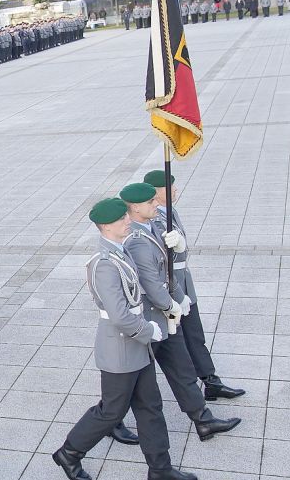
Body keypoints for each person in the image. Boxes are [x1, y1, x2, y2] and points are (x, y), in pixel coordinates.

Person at [53, 198, 194, 480]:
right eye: (121, 220)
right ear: (106, 226)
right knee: (111, 411)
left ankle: (160, 469)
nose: (127, 220)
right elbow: (118, 315)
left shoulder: (120, 251)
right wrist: (149, 331)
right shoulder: (103, 263)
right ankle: (69, 452)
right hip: (120, 348)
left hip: (137, 346)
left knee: (150, 407)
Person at [119, 183, 241, 441]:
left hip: (165, 319)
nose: (156, 205)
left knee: (182, 369)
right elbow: (152, 282)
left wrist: (179, 298)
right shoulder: (138, 240)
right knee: (128, 382)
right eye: (151, 202)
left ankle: (203, 420)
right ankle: (108, 420)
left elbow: (169, 269)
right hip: (151, 322)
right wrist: (171, 304)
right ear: (136, 207)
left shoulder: (152, 227)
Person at [143, 171, 244, 401]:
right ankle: (112, 409)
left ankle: (210, 380)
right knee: (149, 354)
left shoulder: (169, 211)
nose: (175, 190)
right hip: (169, 287)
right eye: (170, 187)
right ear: (155, 192)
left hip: (182, 283)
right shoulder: (155, 219)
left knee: (194, 334)